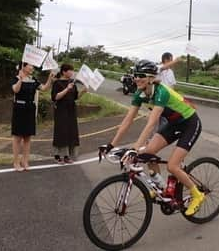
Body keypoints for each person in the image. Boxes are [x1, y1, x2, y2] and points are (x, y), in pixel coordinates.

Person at [99, 59, 204, 216]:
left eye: (141, 75)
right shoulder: (140, 94)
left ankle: (197, 195)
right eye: (135, 75)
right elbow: (127, 122)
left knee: (173, 166)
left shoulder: (161, 92)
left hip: (190, 123)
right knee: (148, 153)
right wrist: (111, 145)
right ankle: (160, 188)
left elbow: (151, 123)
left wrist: (134, 149)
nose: (136, 78)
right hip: (173, 124)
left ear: (150, 78)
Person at [11, 62, 54, 171]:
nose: (32, 68)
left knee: (27, 137)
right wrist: (21, 79)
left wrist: (49, 79)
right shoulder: (16, 78)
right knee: (17, 137)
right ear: (24, 67)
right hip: (19, 108)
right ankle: (16, 162)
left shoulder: (33, 79)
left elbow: (43, 88)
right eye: (31, 66)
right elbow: (15, 90)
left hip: (30, 109)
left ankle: (25, 161)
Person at [51, 64, 87, 164]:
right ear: (64, 72)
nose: (72, 72)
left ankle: (67, 156)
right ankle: (58, 156)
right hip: (61, 110)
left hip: (71, 109)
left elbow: (75, 97)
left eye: (73, 70)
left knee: (70, 132)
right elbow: (55, 97)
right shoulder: (57, 83)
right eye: (70, 70)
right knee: (61, 132)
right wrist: (67, 89)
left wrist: (83, 91)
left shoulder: (72, 83)